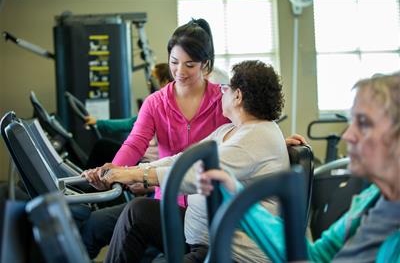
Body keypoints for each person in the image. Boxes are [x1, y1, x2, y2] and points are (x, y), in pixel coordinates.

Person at [91, 60, 290, 263]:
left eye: (226, 89)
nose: (222, 93)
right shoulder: (229, 130)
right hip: (200, 235)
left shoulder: (258, 135)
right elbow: (183, 160)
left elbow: (196, 174)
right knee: (137, 211)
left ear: (237, 96)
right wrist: (128, 171)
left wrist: (137, 176)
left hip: (230, 252)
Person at [198, 72, 400, 262]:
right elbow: (314, 257)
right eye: (352, 121)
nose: (348, 135)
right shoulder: (374, 201)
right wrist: (235, 192)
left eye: (363, 123)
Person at [80, 18, 229, 259]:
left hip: (208, 209)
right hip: (167, 202)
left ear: (206, 65)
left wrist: (280, 141)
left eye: (190, 64)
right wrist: (113, 170)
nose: (180, 72)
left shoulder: (223, 100)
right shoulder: (155, 103)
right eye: (174, 62)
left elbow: (248, 130)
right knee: (113, 222)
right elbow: (135, 142)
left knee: (133, 214)